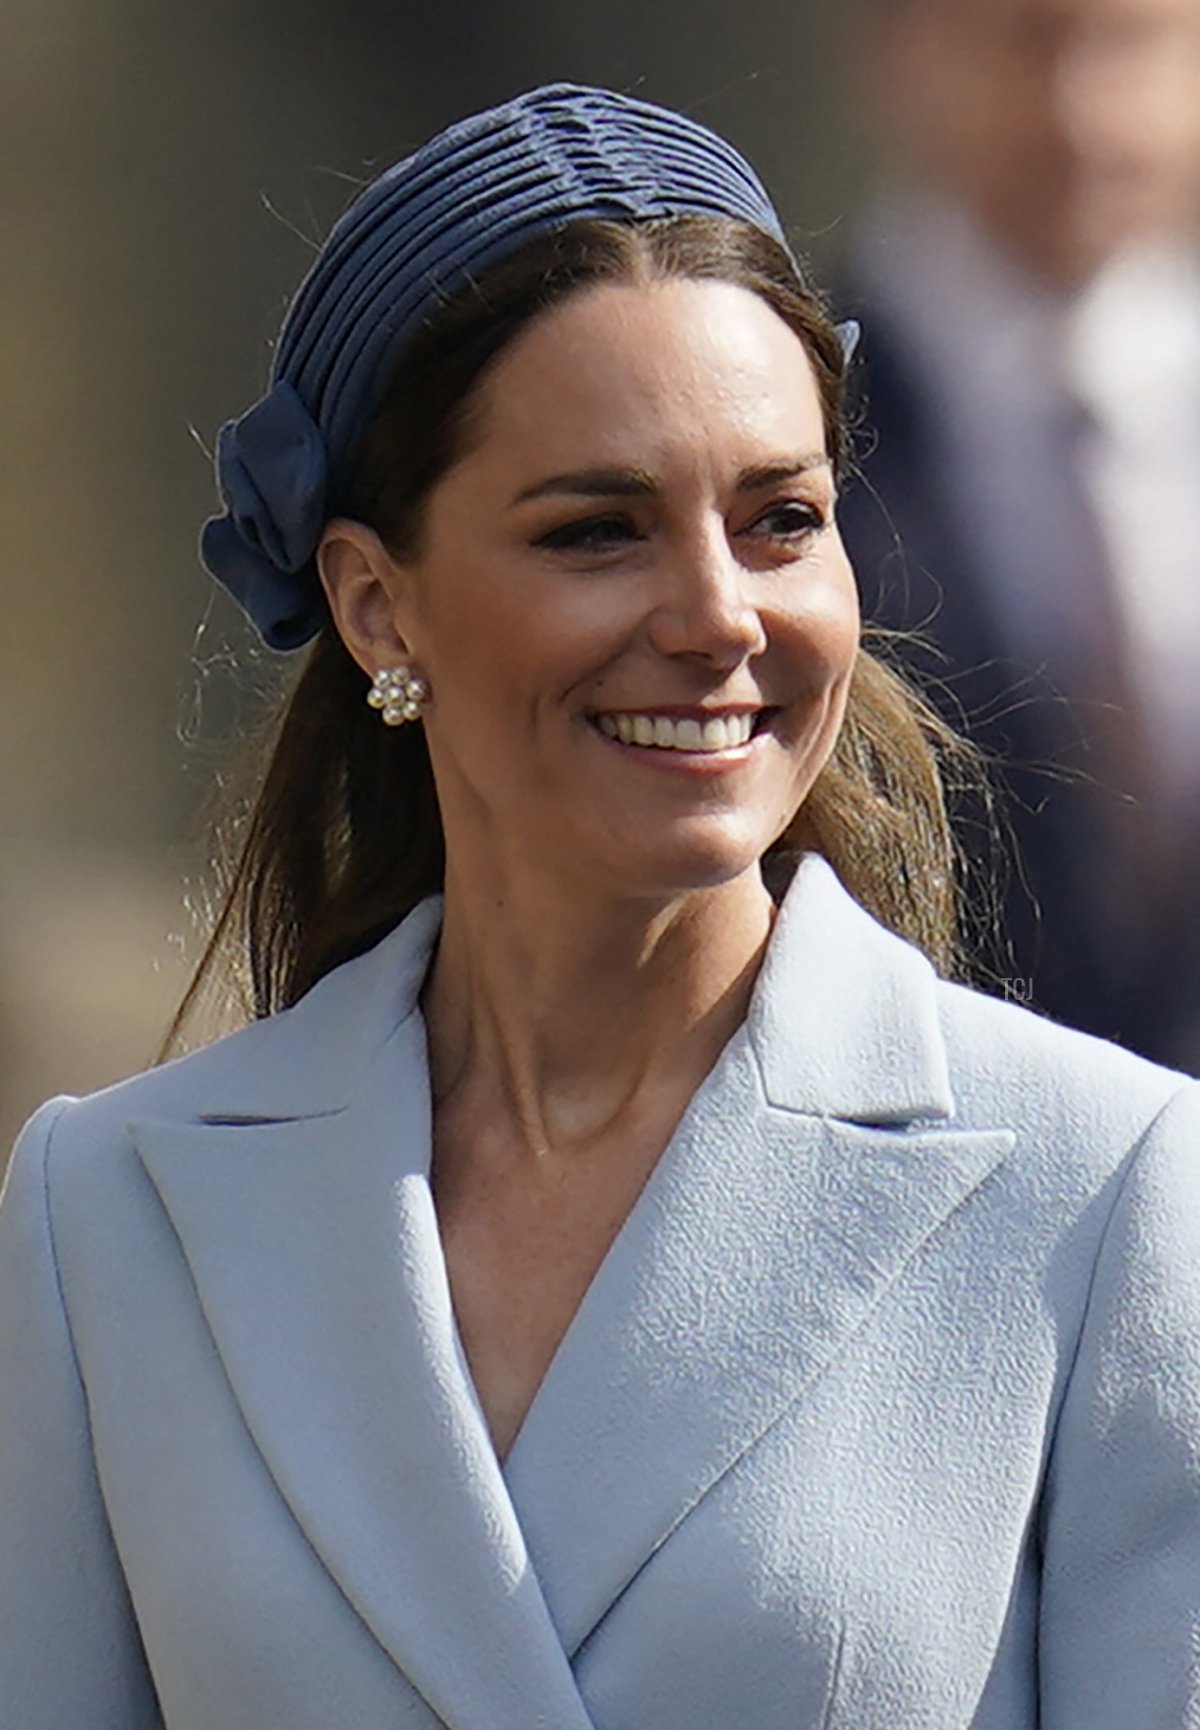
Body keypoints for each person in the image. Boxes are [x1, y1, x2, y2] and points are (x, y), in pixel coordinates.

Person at [0, 83, 1197, 1730]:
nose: (717, 614)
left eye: (782, 521)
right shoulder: (109, 1211)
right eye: (598, 532)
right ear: (371, 600)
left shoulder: (1112, 1189)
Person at [837, 0, 1200, 1066]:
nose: (1084, 115)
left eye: (1132, 43)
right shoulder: (789, 433)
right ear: (897, 49)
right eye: (1028, 42)